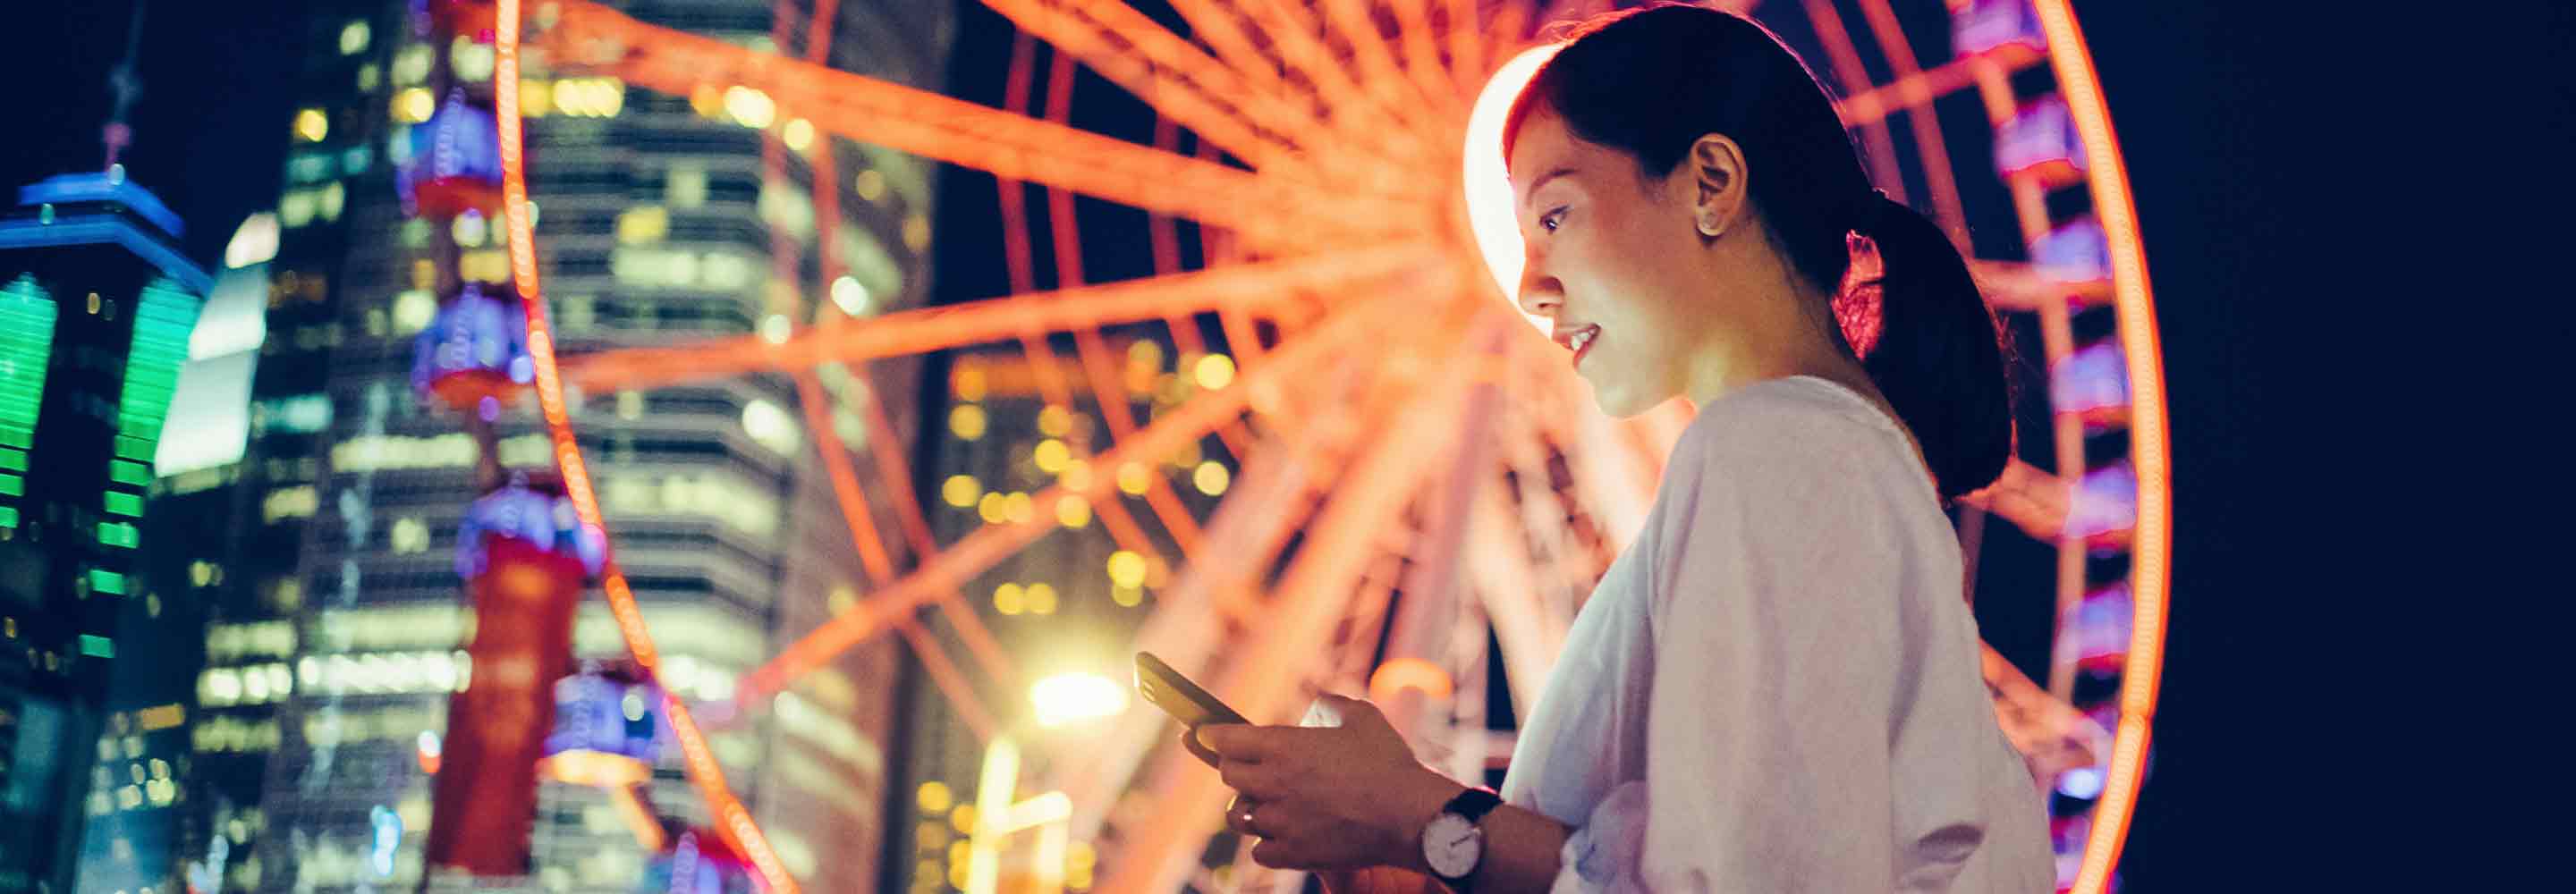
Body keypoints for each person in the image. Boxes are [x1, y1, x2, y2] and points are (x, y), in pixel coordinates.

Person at [1194, 4, 2055, 892]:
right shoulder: (1809, 458)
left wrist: (1418, 815)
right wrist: (1405, 849)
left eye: (1556, 217)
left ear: (1712, 182)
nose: (1527, 286)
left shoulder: (1780, 450)